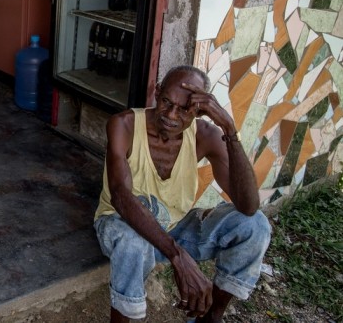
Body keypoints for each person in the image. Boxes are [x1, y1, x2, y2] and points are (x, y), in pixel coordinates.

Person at [94, 65, 271, 322]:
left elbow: (248, 206)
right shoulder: (124, 125)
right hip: (121, 225)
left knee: (255, 225)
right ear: (157, 92)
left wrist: (230, 130)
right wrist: (177, 256)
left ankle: (210, 318)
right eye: (166, 102)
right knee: (133, 241)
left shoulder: (206, 135)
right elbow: (121, 197)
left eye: (185, 109)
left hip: (176, 226)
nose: (171, 115)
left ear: (199, 110)